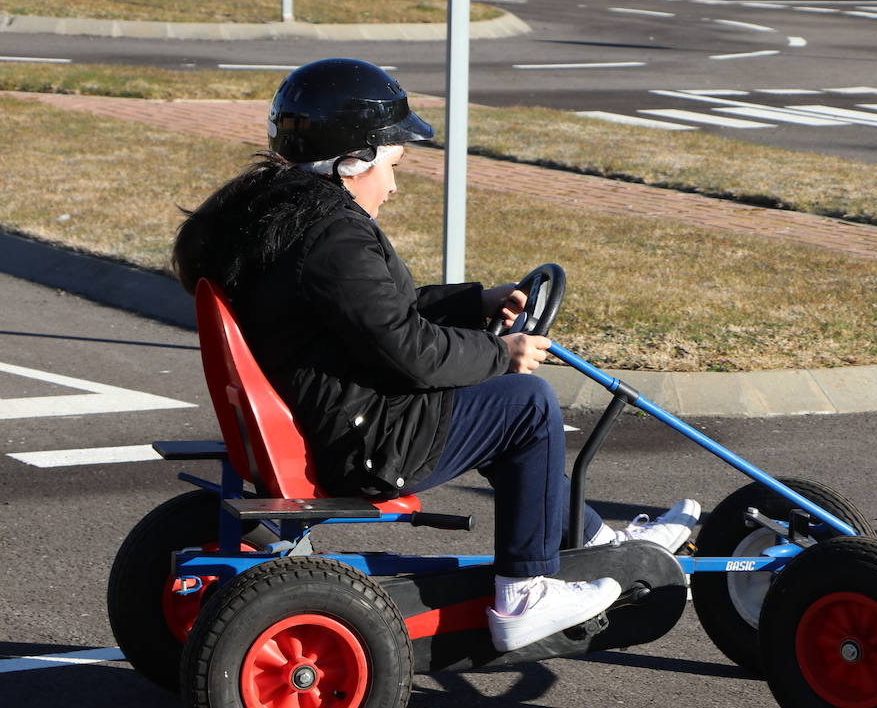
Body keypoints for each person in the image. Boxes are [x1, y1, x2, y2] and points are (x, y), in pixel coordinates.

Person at [172, 57, 700, 652]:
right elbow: (411, 354)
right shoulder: (333, 236)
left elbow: (371, 314)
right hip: (363, 441)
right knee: (523, 404)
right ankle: (526, 592)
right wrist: (503, 353)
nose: (394, 185)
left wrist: (476, 302)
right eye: (393, 166)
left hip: (337, 413)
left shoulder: (279, 213)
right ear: (355, 160)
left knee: (495, 407)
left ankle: (595, 541)